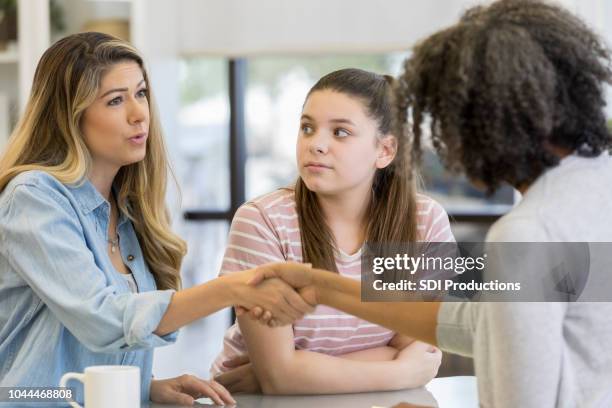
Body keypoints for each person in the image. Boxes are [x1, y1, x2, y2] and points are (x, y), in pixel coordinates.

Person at [249, 1, 612, 406]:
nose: (448, 146)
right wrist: (323, 287)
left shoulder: (530, 232)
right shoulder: (597, 190)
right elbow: (487, 323)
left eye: (449, 124)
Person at [0, 32, 313, 406]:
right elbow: (103, 319)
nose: (139, 113)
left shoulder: (127, 211)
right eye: (116, 100)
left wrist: (145, 388)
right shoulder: (33, 198)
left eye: (141, 93)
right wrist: (231, 288)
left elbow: (81, 358)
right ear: (70, 117)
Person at [211, 68, 451, 394]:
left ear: (385, 151)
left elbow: (420, 347)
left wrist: (297, 371)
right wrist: (399, 370)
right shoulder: (261, 222)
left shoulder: (426, 222)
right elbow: (279, 377)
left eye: (340, 133)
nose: (316, 145)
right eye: (307, 128)